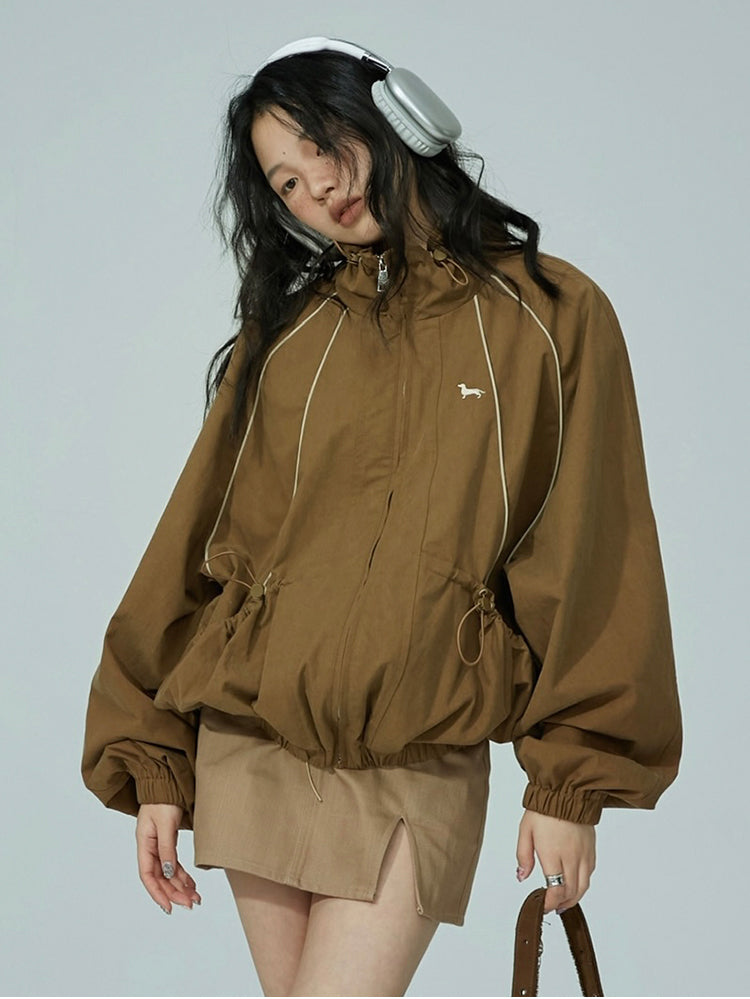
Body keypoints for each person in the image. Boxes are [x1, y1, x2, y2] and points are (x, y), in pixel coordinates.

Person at [80, 36, 682, 996]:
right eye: (284, 181)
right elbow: (196, 547)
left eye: (322, 144)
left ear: (397, 114)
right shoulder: (290, 334)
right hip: (254, 743)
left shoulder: (551, 315)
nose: (315, 187)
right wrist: (153, 756)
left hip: (417, 754)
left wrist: (574, 780)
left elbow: (593, 551)